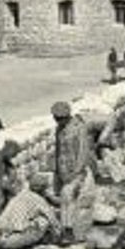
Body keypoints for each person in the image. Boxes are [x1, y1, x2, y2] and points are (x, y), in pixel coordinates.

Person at [50, 101, 93, 241]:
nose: (57, 121)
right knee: (64, 199)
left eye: (60, 118)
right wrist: (57, 172)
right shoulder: (59, 129)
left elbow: (83, 152)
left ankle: (68, 230)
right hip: (62, 171)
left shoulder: (78, 128)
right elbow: (58, 151)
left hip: (74, 171)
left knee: (68, 196)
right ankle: (65, 228)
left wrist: (77, 172)